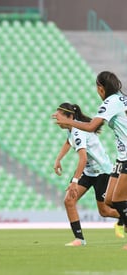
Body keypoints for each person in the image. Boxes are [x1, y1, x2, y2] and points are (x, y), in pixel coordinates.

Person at [54, 71, 127, 249]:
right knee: (109, 202)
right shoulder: (121, 99)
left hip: (104, 169)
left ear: (100, 88)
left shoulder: (110, 102)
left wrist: (74, 180)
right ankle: (80, 238)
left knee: (114, 202)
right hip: (120, 157)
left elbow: (92, 127)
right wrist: (58, 159)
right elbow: (68, 141)